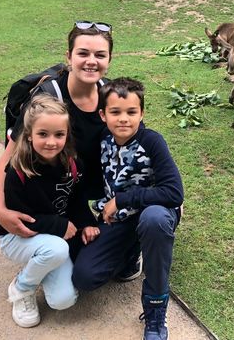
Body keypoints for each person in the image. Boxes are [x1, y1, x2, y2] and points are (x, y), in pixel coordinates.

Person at [72, 78, 184, 340]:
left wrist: (123, 199)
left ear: (141, 113)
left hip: (155, 211)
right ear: (103, 115)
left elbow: (174, 192)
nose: (124, 119)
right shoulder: (103, 140)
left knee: (154, 221)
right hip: (119, 219)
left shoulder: (152, 141)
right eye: (115, 112)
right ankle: (134, 251)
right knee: (85, 277)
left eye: (131, 112)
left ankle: (155, 310)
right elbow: (84, 182)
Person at [0, 21, 114, 240]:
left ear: (109, 59)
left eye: (100, 55)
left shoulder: (110, 92)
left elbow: (136, 143)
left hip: (95, 186)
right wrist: (0, 211)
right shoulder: (47, 98)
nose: (91, 61)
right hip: (59, 191)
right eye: (83, 53)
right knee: (67, 254)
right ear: (69, 56)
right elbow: (7, 160)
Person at [0, 94, 100, 328]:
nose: (51, 142)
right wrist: (59, 226)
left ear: (67, 135)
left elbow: (77, 200)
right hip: (16, 236)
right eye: (43, 134)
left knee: (64, 300)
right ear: (29, 135)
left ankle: (41, 265)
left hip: (52, 238)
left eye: (59, 134)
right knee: (57, 249)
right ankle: (22, 287)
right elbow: (20, 221)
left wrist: (86, 223)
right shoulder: (18, 171)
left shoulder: (73, 164)